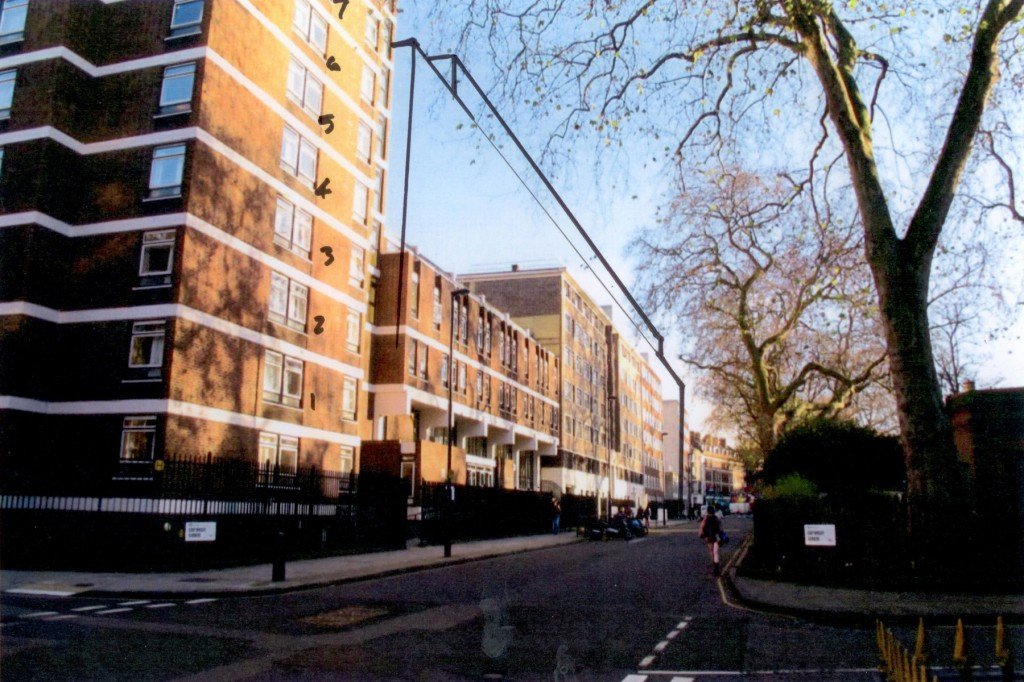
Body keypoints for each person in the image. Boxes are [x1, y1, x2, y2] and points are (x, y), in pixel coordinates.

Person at [698, 503, 723, 576]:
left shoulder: (706, 519)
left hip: (709, 538)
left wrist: (702, 535)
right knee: (715, 552)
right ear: (713, 511)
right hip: (716, 537)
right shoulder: (716, 518)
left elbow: (702, 528)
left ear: (708, 511)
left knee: (711, 552)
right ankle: (716, 568)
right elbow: (720, 529)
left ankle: (715, 565)